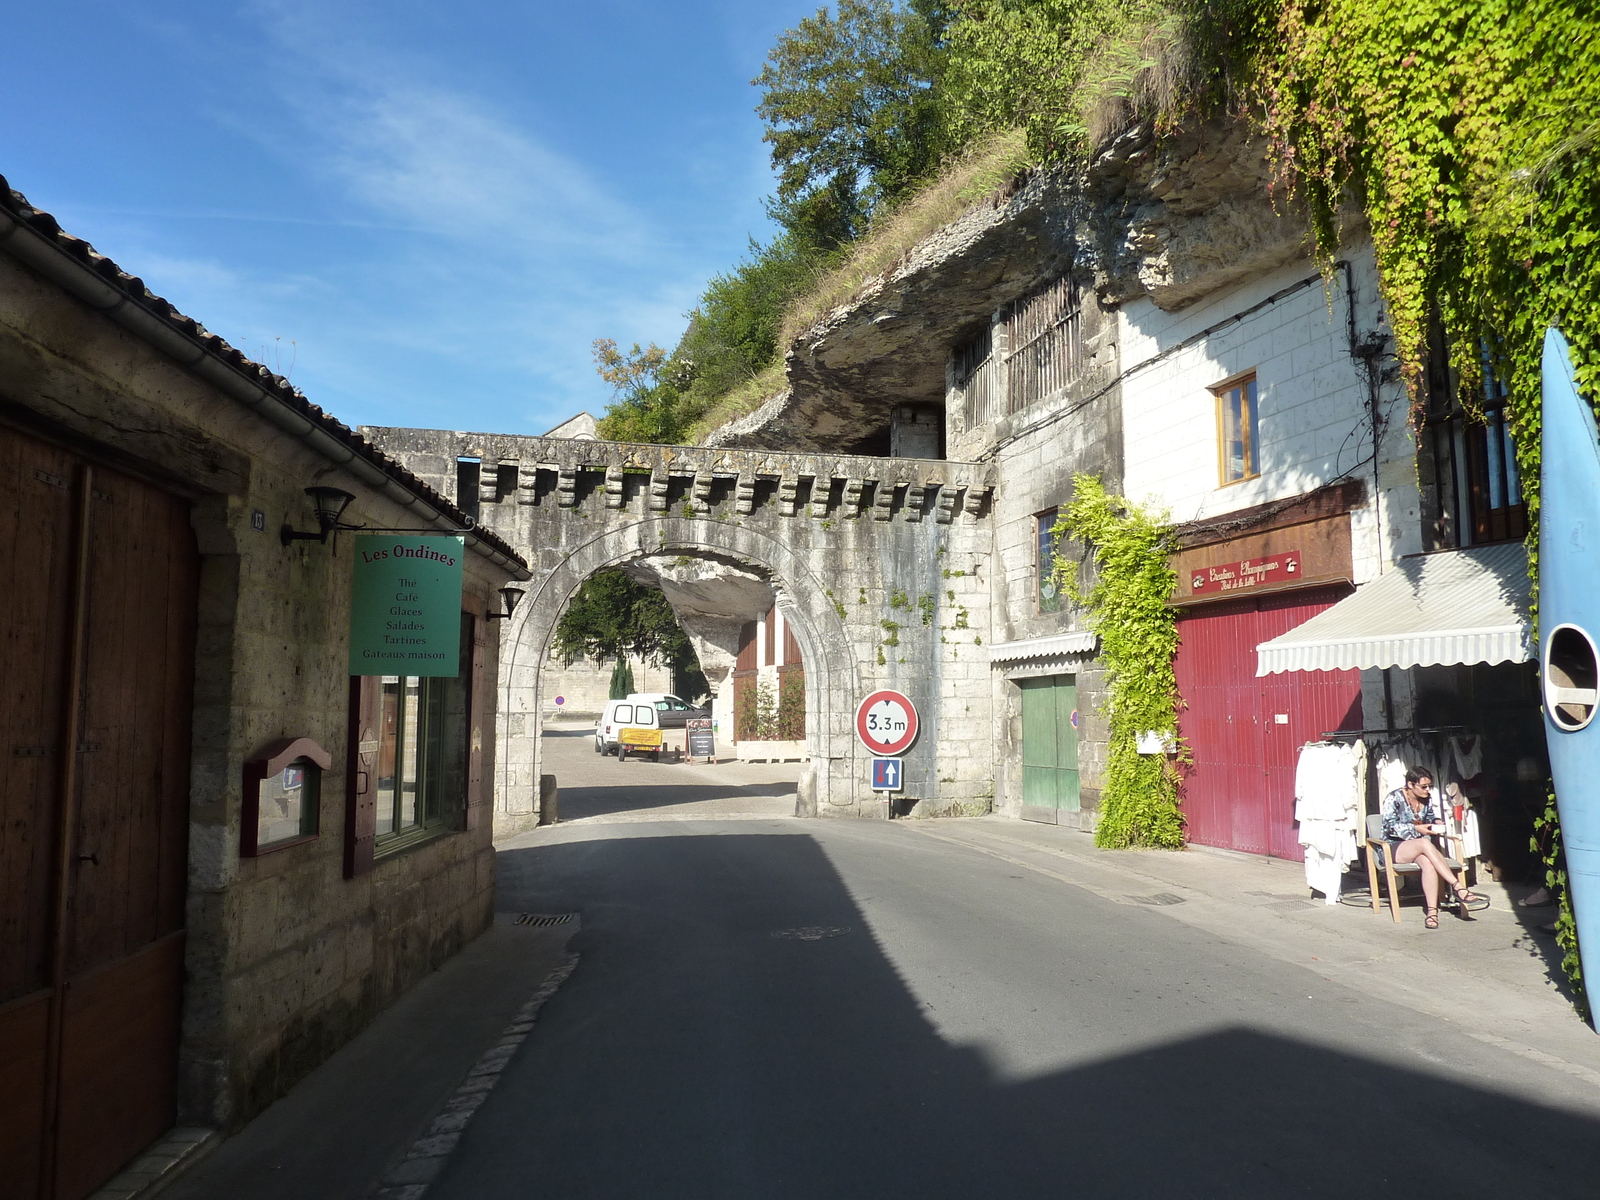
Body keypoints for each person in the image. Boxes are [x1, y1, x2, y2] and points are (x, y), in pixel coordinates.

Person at [1381, 767, 1488, 929]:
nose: (1427, 790)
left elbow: (1429, 816)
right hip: (1393, 846)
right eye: (1423, 786)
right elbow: (1389, 827)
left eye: (1429, 786)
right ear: (1410, 785)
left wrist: (1436, 822)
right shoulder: (1394, 798)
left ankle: (1432, 913)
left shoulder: (1426, 798)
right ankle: (1458, 886)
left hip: (1419, 847)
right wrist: (1417, 829)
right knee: (1424, 843)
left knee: (1428, 863)